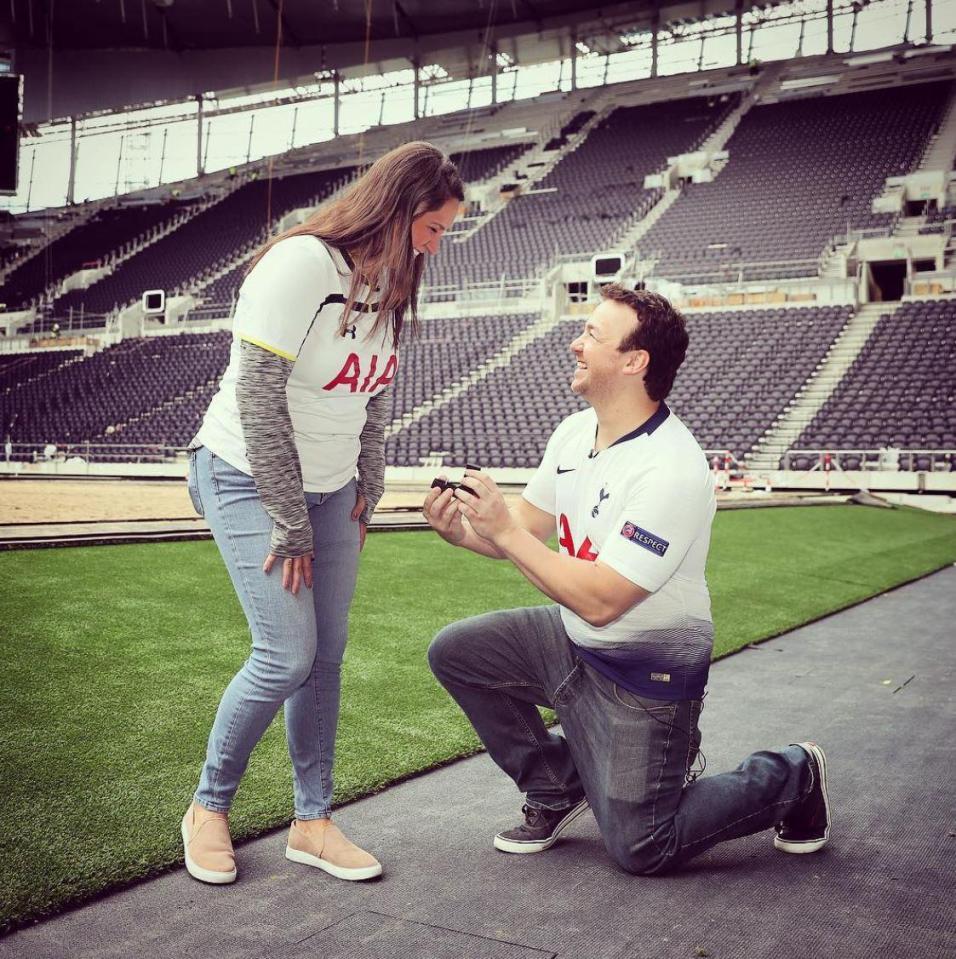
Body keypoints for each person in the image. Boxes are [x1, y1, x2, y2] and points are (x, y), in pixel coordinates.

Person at [424, 284, 830, 875]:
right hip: (574, 645)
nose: (575, 344)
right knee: (458, 653)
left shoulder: (672, 467)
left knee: (644, 848)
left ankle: (793, 774)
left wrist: (506, 533)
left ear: (635, 361)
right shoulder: (572, 433)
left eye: (592, 334)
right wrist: (464, 533)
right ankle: (558, 786)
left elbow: (604, 601)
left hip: (645, 675)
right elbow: (526, 528)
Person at [183, 141, 463, 885]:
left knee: (326, 657)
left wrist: (367, 481)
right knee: (284, 654)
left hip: (334, 487)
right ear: (400, 210)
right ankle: (208, 806)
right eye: (434, 228)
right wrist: (291, 518)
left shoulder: (395, 282)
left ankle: (312, 821)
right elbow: (258, 395)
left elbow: (373, 392)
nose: (439, 244)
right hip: (247, 475)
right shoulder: (301, 265)